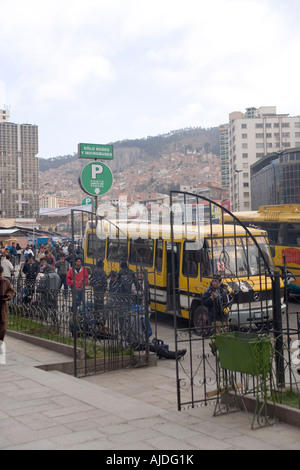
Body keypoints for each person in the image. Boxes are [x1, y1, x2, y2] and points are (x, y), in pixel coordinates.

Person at [0, 266, 15, 355]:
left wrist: (8, 296)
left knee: (3, 328)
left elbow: (11, 291)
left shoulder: (5, 281)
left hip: (2, 308)